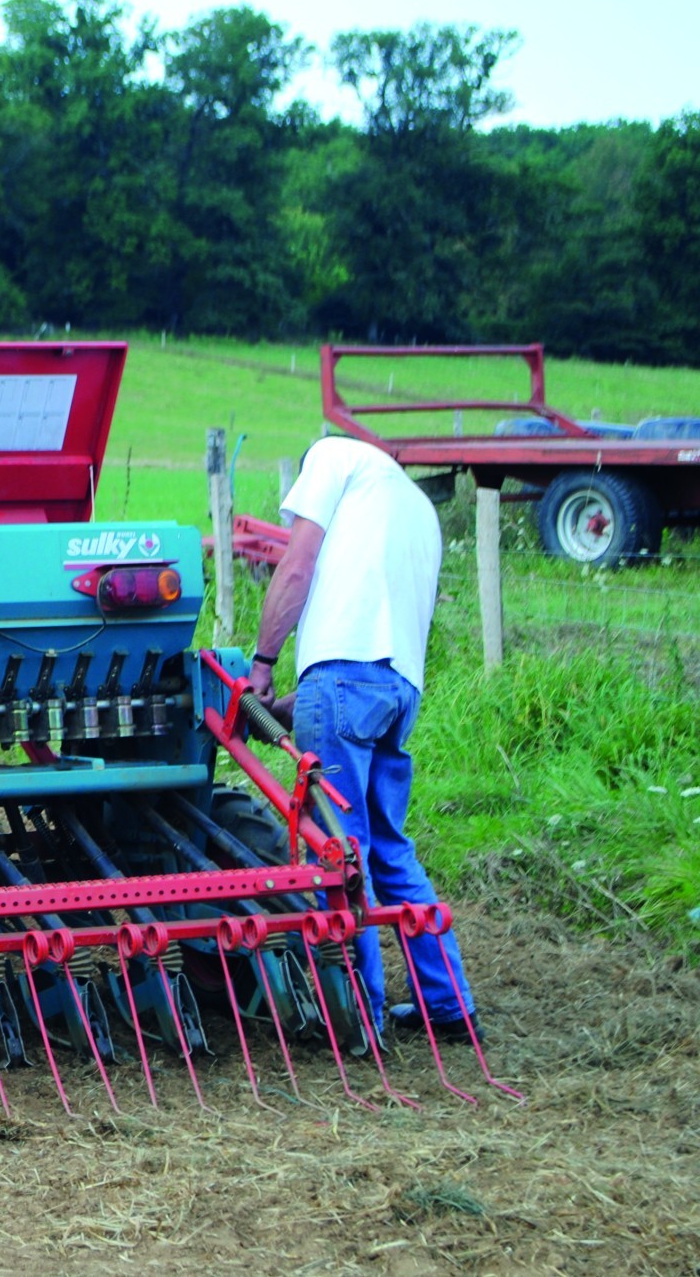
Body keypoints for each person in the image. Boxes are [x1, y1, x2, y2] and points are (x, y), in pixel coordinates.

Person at [249, 436, 481, 1042]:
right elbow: (373, 651)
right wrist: (299, 701)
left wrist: (262, 663)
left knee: (340, 856)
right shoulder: (413, 506)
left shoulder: (328, 457)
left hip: (347, 683)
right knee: (387, 849)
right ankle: (450, 1008)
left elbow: (296, 567)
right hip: (398, 687)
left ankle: (360, 1017)